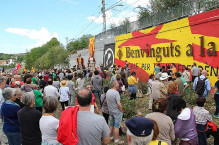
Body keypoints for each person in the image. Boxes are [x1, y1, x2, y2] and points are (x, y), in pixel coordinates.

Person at [0, 77, 8, 145]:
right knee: (1, 128)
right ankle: (3, 142)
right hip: (0, 112)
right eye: (4, 83)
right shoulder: (0, 92)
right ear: (1, 83)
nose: (5, 85)